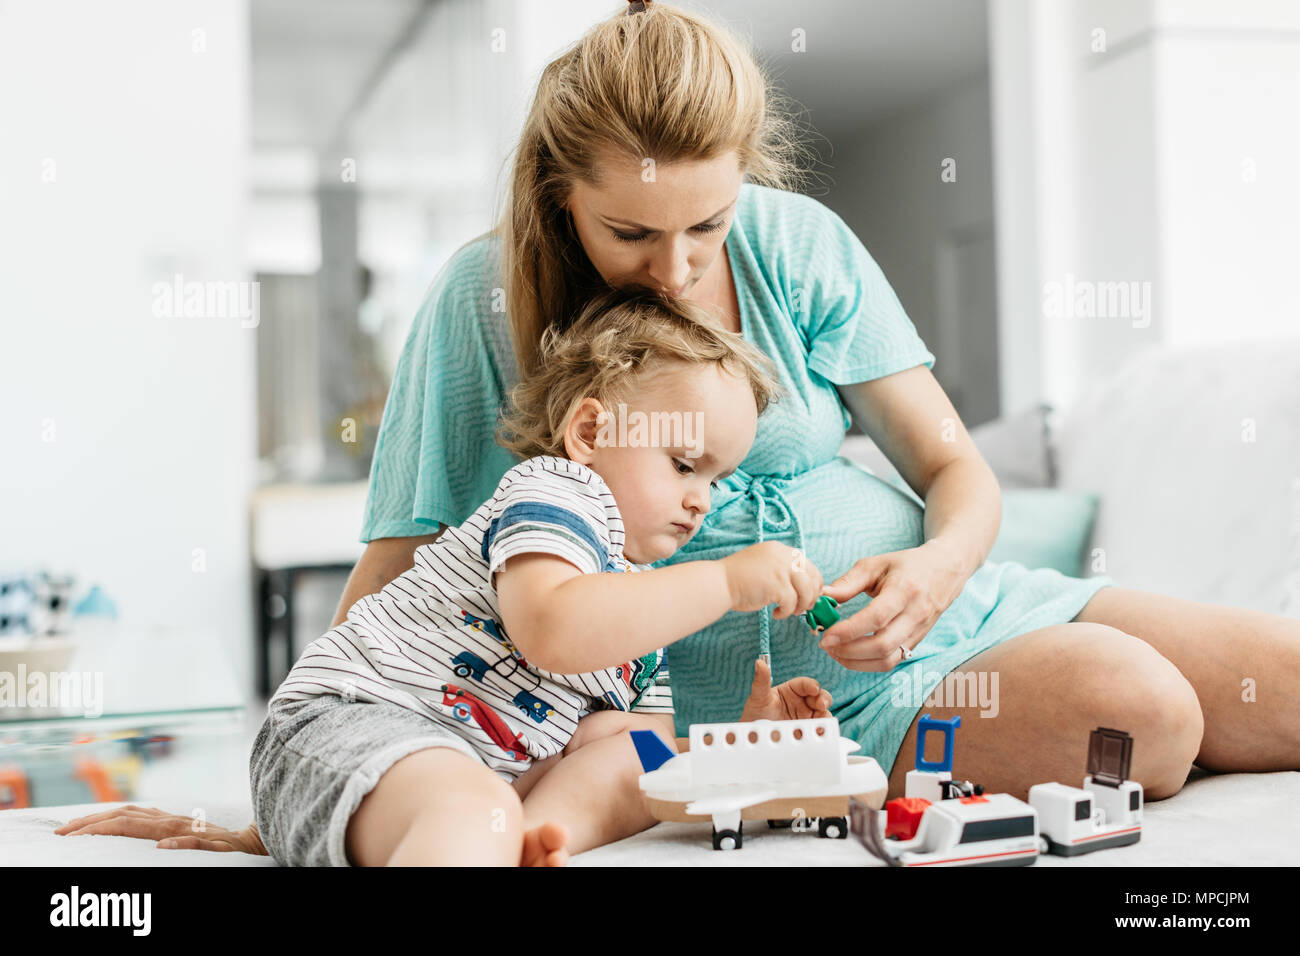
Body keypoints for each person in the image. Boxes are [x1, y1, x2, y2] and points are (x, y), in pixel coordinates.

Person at [58, 0, 1300, 859]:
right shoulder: (479, 302)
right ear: (560, 198)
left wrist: (931, 571)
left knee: (1284, 680)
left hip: (941, 605)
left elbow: (952, 466)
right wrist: (305, 779)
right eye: (632, 234)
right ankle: (778, 781)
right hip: (794, 703)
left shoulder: (792, 243)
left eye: (706, 222)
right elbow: (392, 577)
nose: (679, 263)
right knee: (1148, 717)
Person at [247, 287, 833, 865]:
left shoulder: (644, 592)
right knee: (466, 808)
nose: (700, 500)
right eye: (683, 465)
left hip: (480, 766)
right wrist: (726, 583)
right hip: (354, 722)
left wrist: (737, 747)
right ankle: (484, 836)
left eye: (716, 479)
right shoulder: (557, 492)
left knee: (641, 763)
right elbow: (552, 629)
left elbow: (626, 740)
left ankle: (529, 839)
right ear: (589, 433)